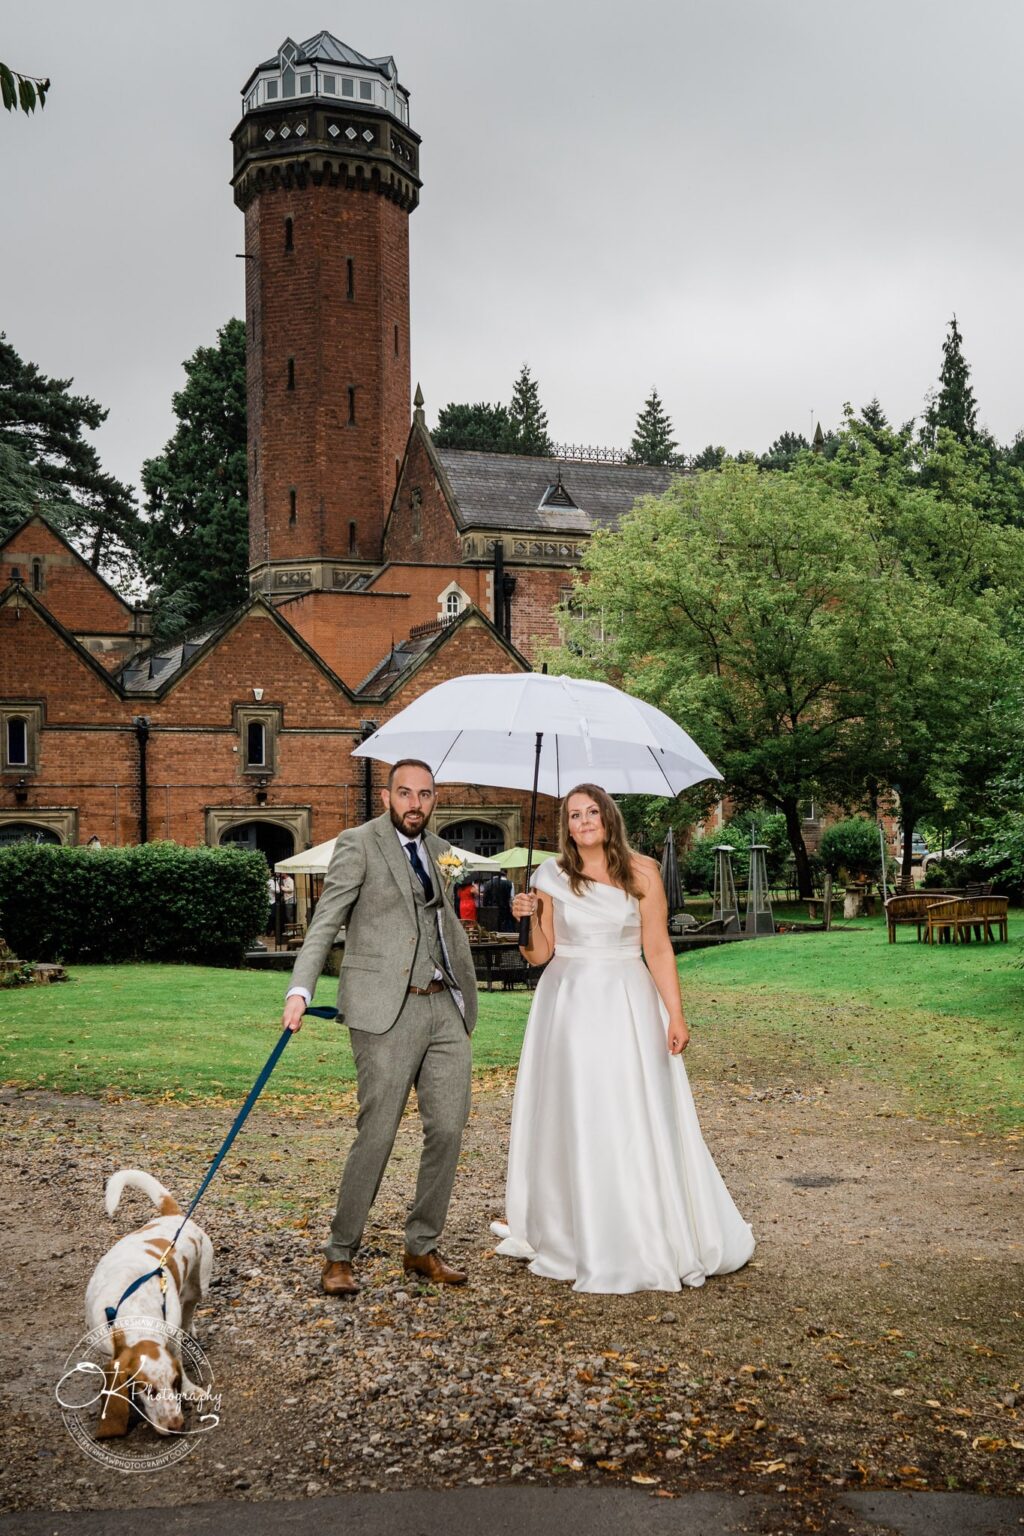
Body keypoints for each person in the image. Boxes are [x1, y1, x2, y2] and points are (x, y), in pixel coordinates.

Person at [490, 783, 754, 1294]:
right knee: (577, 1111)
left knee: (632, 1110)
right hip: (566, 1005)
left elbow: (656, 947)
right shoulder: (548, 876)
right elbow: (540, 955)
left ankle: (645, 1226)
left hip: (628, 1001)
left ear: (608, 818)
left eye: (592, 812)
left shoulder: (644, 872)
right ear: (565, 826)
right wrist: (524, 919)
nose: (583, 821)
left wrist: (675, 1016)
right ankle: (573, 1231)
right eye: (573, 815)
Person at [283, 760, 478, 1297]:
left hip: (446, 1006)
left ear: (435, 798)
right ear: (389, 795)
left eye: (425, 794)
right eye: (405, 793)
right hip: (383, 1012)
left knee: (448, 1129)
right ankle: (340, 1252)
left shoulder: (443, 852)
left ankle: (421, 1245)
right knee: (379, 1132)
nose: (415, 803)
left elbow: (443, 923)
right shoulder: (358, 843)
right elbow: (327, 920)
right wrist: (301, 990)